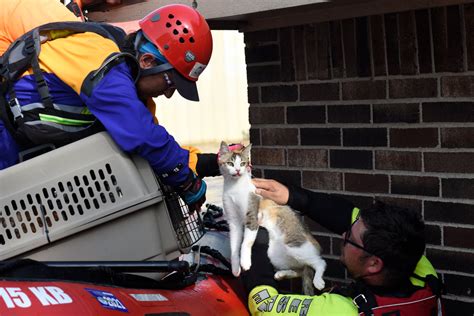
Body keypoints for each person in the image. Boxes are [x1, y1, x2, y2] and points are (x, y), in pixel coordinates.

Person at [0, 1, 219, 212]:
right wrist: (187, 181)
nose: (169, 94)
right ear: (148, 61)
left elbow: (153, 138)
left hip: (17, 149)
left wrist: (205, 163)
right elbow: (140, 134)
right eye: (171, 83)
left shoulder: (128, 86)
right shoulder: (102, 60)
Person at [243, 178, 443, 315]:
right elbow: (347, 215)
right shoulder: (422, 272)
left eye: (350, 237)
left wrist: (257, 241)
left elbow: (265, 305)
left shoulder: (341, 311)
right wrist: (292, 196)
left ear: (374, 264)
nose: (344, 234)